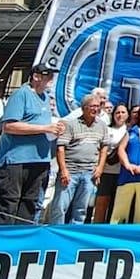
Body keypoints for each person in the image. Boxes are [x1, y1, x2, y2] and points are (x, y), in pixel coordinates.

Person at [0, 65, 65, 225]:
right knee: (7, 205)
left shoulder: (45, 97)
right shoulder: (20, 94)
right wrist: (44, 128)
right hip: (16, 162)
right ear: (36, 77)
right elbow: (9, 126)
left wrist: (55, 129)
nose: (51, 79)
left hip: (39, 161)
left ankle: (21, 242)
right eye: (47, 75)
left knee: (30, 205)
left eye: (52, 75)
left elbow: (42, 124)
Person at [50, 93, 108, 224]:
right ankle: (56, 233)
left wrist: (100, 168)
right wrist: (63, 170)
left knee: (81, 210)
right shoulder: (71, 125)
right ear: (84, 108)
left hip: (89, 173)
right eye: (93, 106)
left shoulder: (102, 126)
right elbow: (60, 148)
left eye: (98, 106)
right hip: (70, 172)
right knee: (60, 206)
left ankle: (74, 235)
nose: (96, 109)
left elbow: (104, 148)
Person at [93, 103, 129, 224]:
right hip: (106, 171)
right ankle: (97, 230)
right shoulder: (106, 129)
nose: (120, 115)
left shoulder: (130, 130)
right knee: (101, 203)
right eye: (117, 112)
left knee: (116, 205)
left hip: (122, 172)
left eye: (123, 112)